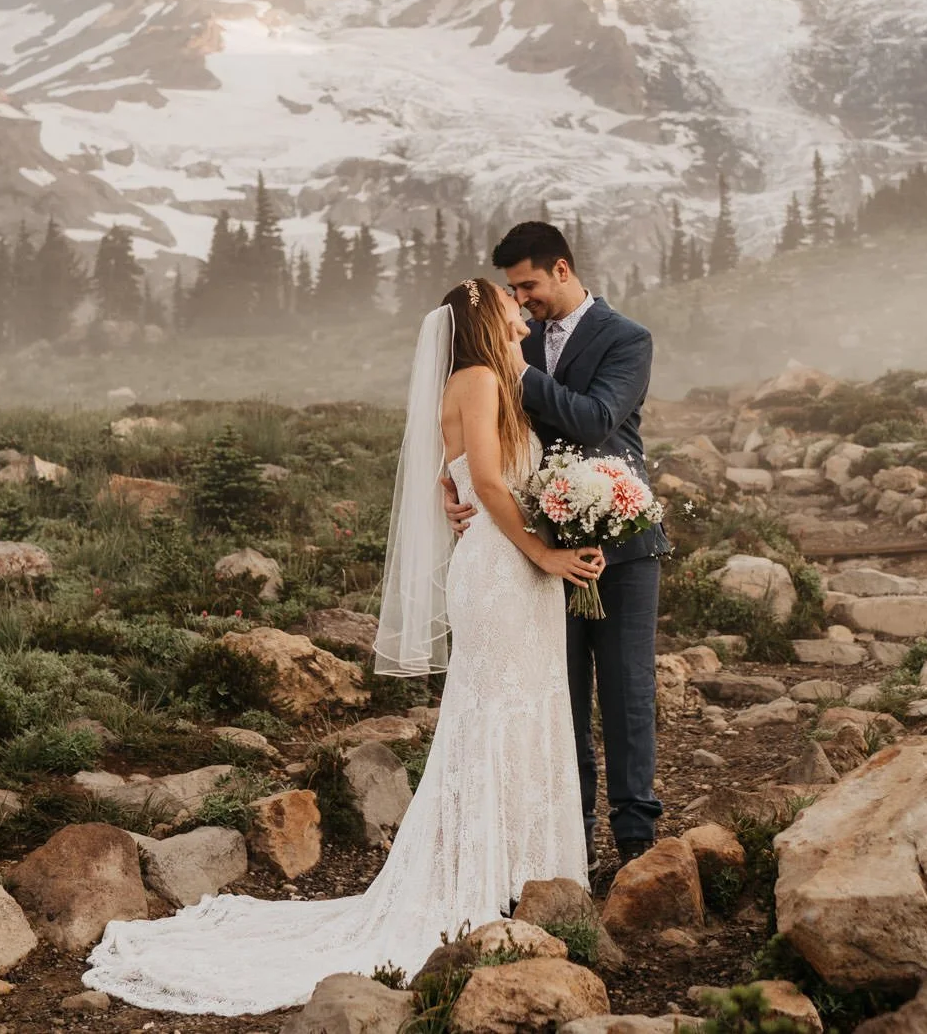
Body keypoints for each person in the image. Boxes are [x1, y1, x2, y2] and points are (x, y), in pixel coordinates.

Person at [82, 278, 602, 1014]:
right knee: (495, 716)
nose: (519, 306)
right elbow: (486, 478)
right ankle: (492, 882)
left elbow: (457, 473)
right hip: (505, 570)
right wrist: (544, 553)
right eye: (504, 298)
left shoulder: (493, 378)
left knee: (519, 712)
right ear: (484, 314)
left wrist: (552, 523)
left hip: (513, 564)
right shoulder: (482, 377)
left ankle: (519, 874)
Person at [447, 221, 669, 878]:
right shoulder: (509, 341)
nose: (521, 300)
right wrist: (450, 480)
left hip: (622, 541)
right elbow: (481, 431)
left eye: (530, 285)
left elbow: (598, 419)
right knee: (558, 694)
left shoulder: (628, 339)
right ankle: (565, 844)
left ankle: (636, 846)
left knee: (627, 695)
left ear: (563, 270)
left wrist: (518, 371)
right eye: (513, 290)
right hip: (538, 549)